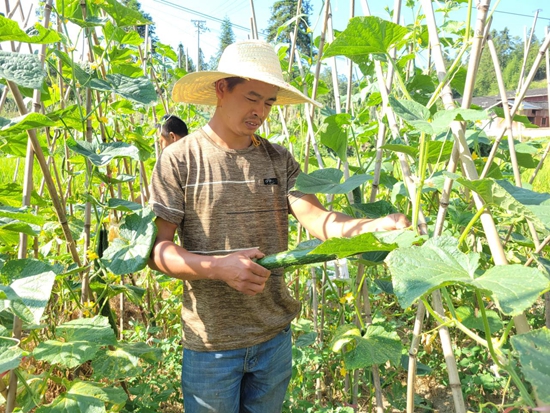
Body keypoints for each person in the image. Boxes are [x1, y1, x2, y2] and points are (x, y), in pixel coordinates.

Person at [148, 40, 410, 413]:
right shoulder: (180, 159)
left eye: (268, 103)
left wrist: (374, 226)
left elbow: (318, 220)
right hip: (212, 345)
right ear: (222, 89)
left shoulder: (277, 158)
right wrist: (219, 268)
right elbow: (159, 252)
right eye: (252, 98)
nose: (260, 112)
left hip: (274, 338)